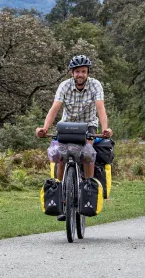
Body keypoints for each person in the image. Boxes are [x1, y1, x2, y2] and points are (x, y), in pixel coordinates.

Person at [36, 55, 113, 185]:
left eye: (83, 71)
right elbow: (54, 108)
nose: (80, 75)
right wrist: (45, 128)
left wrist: (105, 129)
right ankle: (59, 186)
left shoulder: (95, 85)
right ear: (72, 73)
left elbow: (100, 108)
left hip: (88, 124)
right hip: (67, 125)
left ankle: (89, 185)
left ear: (88, 73)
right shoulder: (64, 85)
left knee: (88, 152)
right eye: (77, 71)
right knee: (61, 154)